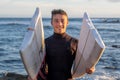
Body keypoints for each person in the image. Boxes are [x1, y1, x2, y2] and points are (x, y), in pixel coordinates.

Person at [28, 9, 95, 80]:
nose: (60, 24)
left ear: (67, 23)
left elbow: (83, 62)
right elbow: (38, 65)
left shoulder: (75, 42)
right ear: (51, 23)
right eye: (56, 21)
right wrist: (32, 75)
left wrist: (91, 69)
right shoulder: (45, 43)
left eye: (62, 21)